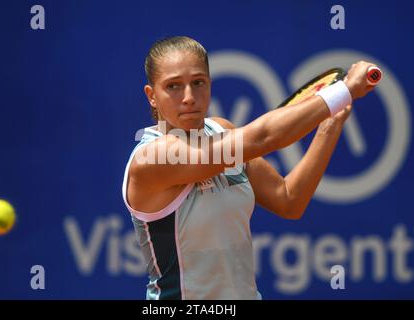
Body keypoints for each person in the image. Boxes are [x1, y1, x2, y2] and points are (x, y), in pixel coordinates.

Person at [122, 36, 376, 300]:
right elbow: (265, 137)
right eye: (173, 86)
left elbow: (289, 200)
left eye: (198, 83)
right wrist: (344, 90)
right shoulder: (153, 158)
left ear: (209, 84)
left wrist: (329, 125)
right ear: (152, 96)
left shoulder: (222, 130)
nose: (188, 97)